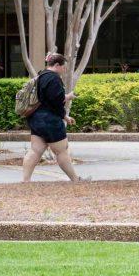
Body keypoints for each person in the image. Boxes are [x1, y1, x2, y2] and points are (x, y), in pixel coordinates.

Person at [21, 53, 81, 182]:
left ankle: (25, 180)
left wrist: (65, 117)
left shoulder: (40, 76)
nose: (64, 70)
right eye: (63, 67)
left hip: (35, 118)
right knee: (62, 151)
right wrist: (68, 97)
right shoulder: (54, 78)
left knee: (35, 151)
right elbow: (56, 101)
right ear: (57, 65)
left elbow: (47, 99)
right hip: (50, 121)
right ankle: (75, 179)